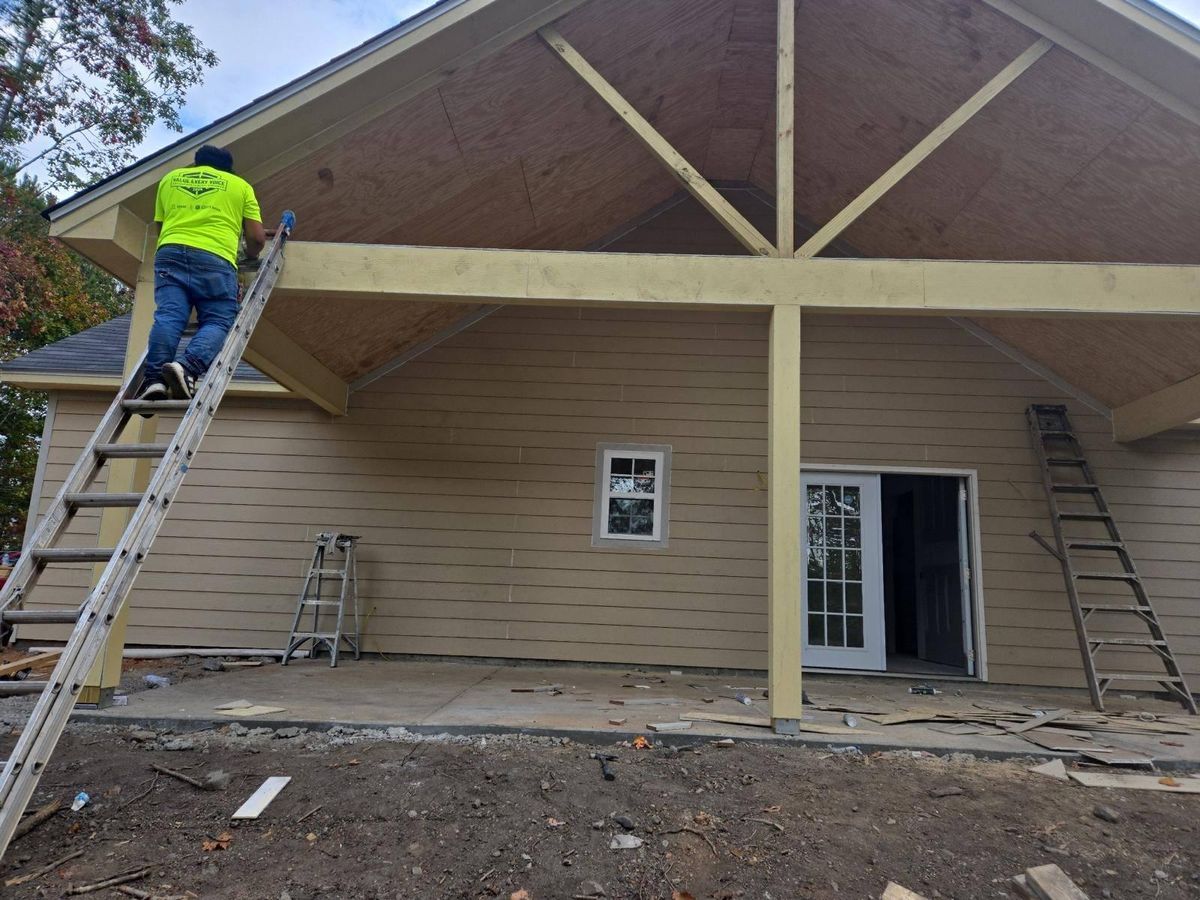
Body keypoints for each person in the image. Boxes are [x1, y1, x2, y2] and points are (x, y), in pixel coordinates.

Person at [137, 145, 266, 402]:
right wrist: (250, 256)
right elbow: (257, 238)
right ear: (227, 168)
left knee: (169, 316)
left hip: (170, 253)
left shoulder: (170, 180)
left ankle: (154, 379)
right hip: (214, 257)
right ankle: (188, 367)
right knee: (219, 320)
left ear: (197, 163)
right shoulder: (239, 186)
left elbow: (163, 226)